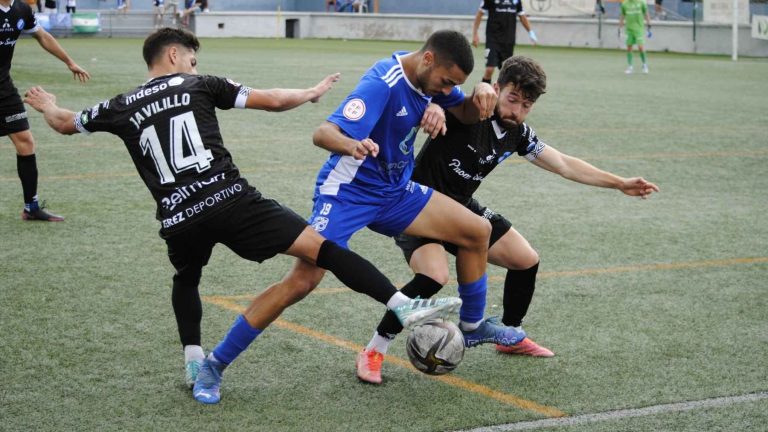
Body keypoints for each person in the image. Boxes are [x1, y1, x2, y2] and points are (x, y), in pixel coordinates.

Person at [24, 27, 462, 405]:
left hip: (179, 217)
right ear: (174, 56)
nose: (194, 67)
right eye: (191, 60)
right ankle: (400, 305)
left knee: (187, 279)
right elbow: (270, 100)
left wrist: (46, 104)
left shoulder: (120, 106)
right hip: (231, 201)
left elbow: (64, 123)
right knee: (320, 249)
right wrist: (309, 94)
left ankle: (197, 361)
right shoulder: (199, 84)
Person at [356, 56, 661, 383]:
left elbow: (563, 164)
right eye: (512, 99)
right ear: (498, 89)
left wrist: (619, 183)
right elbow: (445, 94)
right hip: (418, 208)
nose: (516, 110)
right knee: (433, 276)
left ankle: (508, 332)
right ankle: (375, 348)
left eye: (526, 105)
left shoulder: (517, 133)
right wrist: (467, 93)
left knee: (525, 259)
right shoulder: (469, 112)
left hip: (462, 207)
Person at [0, 0, 89, 221]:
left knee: (26, 141)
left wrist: (69, 62)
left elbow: (43, 36)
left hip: (4, 87)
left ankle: (31, 207)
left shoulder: (21, 10)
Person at [472, 0, 537, 85]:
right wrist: (475, 33)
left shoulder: (516, 1)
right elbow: (480, 14)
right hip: (493, 39)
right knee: (489, 69)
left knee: (506, 71)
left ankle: (501, 95)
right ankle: (483, 92)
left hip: (508, 41)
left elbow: (522, 16)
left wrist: (531, 32)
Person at [619, 0, 652, 74]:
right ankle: (630, 67)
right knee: (629, 47)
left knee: (640, 47)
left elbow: (646, 13)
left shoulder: (642, 2)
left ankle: (644, 65)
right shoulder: (624, 3)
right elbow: (622, 15)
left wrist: (649, 24)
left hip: (639, 29)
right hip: (629, 29)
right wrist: (620, 27)